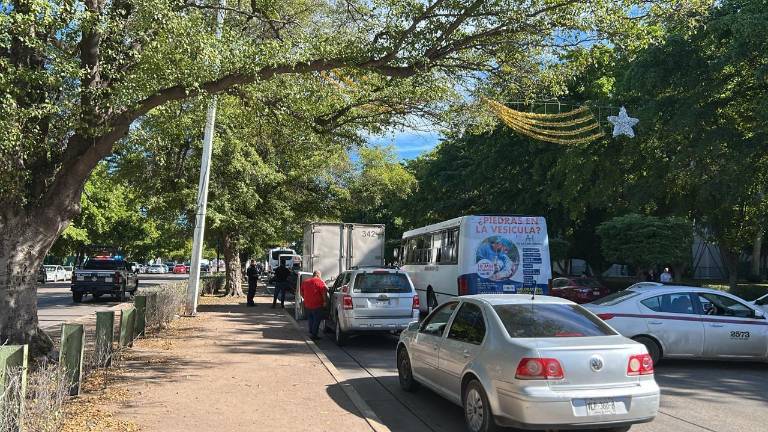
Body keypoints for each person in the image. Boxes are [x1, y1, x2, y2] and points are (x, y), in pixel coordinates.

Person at [301, 271, 328, 340]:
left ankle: (311, 331)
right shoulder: (320, 282)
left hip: (307, 304)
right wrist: (325, 301)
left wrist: (305, 298)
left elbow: (301, 292)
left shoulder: (305, 282)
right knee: (317, 320)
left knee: (310, 318)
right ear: (318, 275)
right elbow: (323, 293)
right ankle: (314, 335)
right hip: (317, 304)